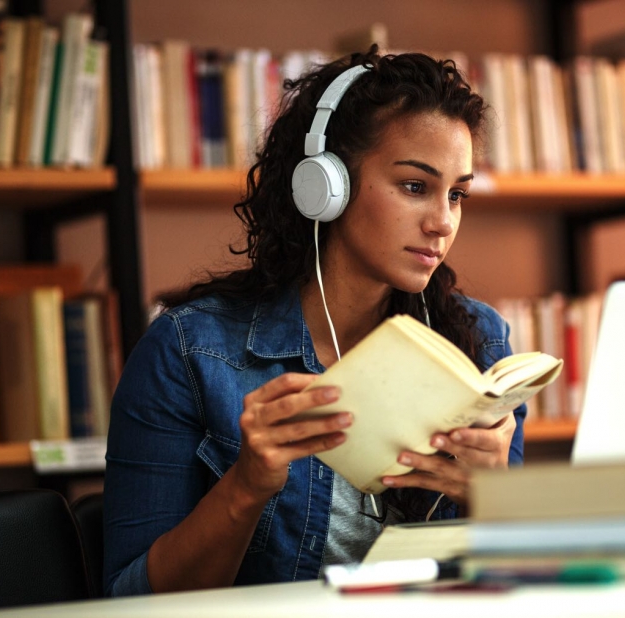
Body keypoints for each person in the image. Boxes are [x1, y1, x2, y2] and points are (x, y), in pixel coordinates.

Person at [103, 48, 527, 596]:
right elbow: (132, 598)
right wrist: (247, 485)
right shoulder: (188, 352)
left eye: (457, 194)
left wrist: (495, 498)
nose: (443, 222)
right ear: (326, 186)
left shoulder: (479, 343)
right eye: (415, 187)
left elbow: (511, 585)